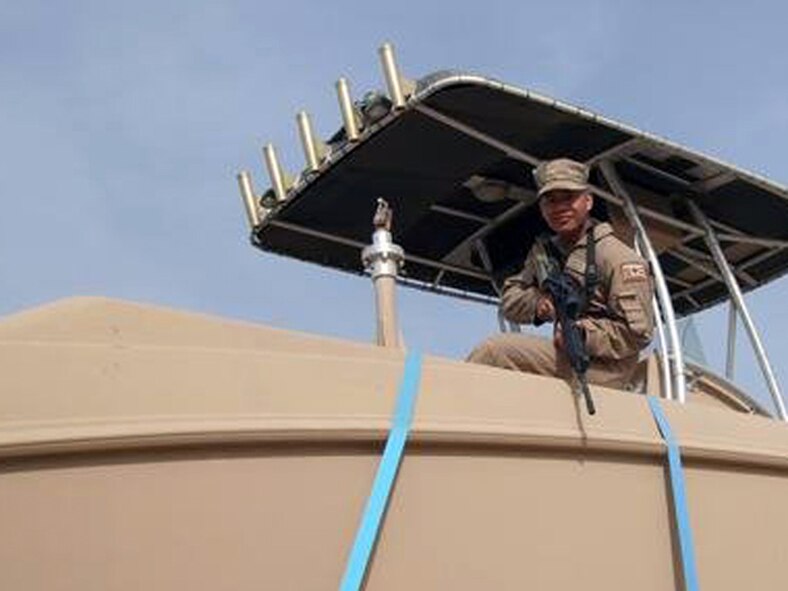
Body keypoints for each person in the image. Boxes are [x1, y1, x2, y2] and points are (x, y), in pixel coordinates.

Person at [467, 158, 655, 390]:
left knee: (494, 352)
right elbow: (509, 301)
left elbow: (638, 334)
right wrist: (540, 304)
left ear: (587, 201)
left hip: (607, 369)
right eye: (550, 200)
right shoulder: (544, 253)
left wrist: (583, 335)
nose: (559, 208)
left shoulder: (617, 257)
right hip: (567, 354)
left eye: (568, 197)